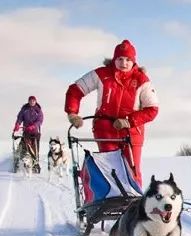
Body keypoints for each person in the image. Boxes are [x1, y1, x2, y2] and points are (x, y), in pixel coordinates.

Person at [64, 39, 158, 186]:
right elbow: (75, 90)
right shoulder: (102, 75)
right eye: (120, 59)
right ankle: (111, 202)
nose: (124, 63)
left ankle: (135, 204)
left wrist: (128, 121)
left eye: (128, 59)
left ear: (133, 61)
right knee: (111, 170)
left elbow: (152, 110)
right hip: (105, 130)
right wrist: (72, 113)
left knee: (132, 171)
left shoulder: (142, 80)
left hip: (132, 132)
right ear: (114, 59)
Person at [14, 96, 43, 170]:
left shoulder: (38, 110)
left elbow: (40, 120)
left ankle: (35, 162)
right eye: (31, 101)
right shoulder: (24, 109)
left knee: (35, 148)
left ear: (35, 101)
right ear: (28, 101)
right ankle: (21, 160)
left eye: (33, 101)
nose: (32, 102)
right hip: (26, 131)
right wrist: (17, 124)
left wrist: (33, 126)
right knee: (24, 146)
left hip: (35, 132)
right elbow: (20, 117)